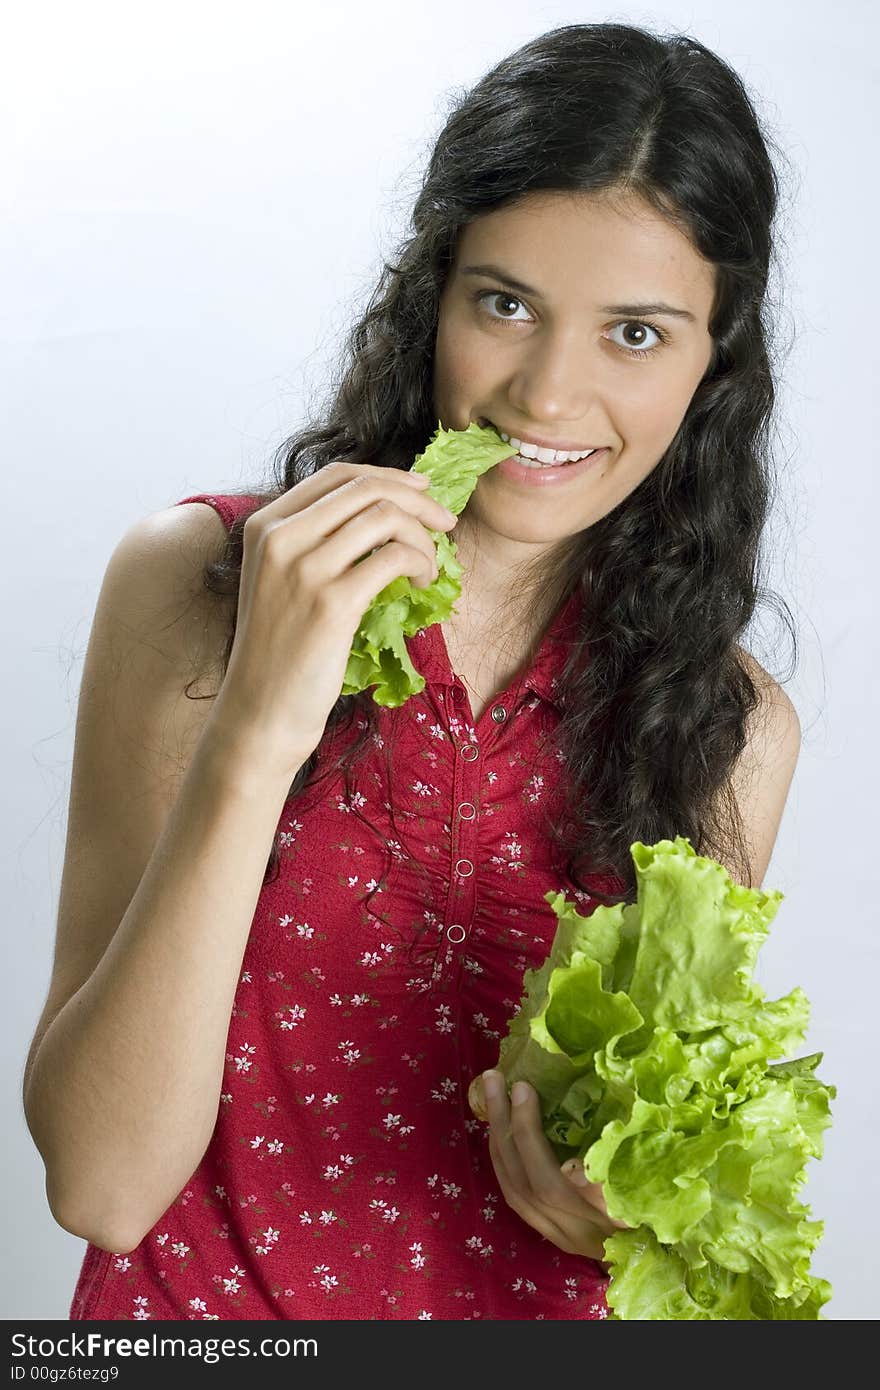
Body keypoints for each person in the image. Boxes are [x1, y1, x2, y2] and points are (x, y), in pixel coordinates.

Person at [23, 21, 802, 1321]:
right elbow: (102, 1185)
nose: (548, 394)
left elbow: (675, 1189)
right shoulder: (202, 579)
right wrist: (261, 726)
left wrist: (630, 1205)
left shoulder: (728, 722)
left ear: (717, 357)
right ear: (431, 294)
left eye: (636, 333)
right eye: (506, 304)